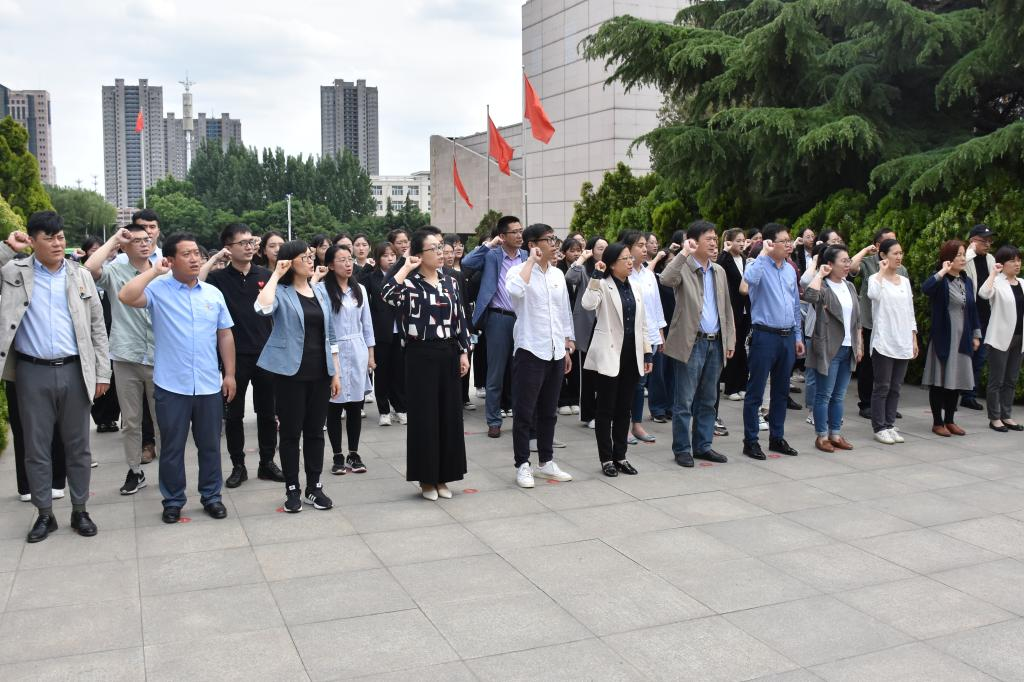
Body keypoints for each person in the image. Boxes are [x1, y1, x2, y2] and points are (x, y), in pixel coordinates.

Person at [0, 215, 110, 542]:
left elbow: (97, 327)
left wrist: (102, 372)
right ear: (33, 240)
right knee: (35, 448)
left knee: (78, 446)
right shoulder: (13, 272)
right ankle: (44, 514)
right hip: (30, 372)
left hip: (75, 369)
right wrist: (8, 247)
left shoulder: (80, 275)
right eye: (49, 238)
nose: (58, 243)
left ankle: (80, 510)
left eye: (60, 237)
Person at [119, 233, 235, 524]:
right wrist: (153, 273)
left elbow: (224, 335)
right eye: (187, 254)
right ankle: (173, 500)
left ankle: (212, 496)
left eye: (196, 253)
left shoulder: (213, 294)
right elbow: (126, 296)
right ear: (170, 260)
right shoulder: (158, 289)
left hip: (208, 384)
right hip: (172, 385)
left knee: (210, 446)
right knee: (171, 448)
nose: (195, 258)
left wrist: (230, 374)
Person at [253, 241, 341, 511]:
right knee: (291, 434)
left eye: (311, 256)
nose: (311, 260)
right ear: (290, 262)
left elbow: (331, 334)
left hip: (320, 372)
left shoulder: (320, 291)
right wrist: (276, 274)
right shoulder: (281, 291)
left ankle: (314, 487)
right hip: (290, 373)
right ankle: (292, 488)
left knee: (315, 432)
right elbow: (261, 308)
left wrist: (335, 372)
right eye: (304, 257)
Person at [383, 230, 470, 500]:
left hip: (448, 352)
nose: (441, 252)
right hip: (420, 354)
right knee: (425, 417)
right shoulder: (409, 283)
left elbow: (460, 318)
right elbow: (386, 294)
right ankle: (427, 479)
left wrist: (464, 352)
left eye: (441, 247)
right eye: (434, 248)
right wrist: (405, 265)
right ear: (419, 254)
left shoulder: (450, 281)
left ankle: (444, 477)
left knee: (449, 415)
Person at [199, 224, 285, 488]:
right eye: (242, 243)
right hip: (234, 356)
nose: (249, 247)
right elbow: (196, 282)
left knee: (267, 413)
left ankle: (267, 462)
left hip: (266, 353)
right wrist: (215, 258)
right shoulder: (218, 279)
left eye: (251, 242)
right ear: (228, 247)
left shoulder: (265, 275)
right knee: (234, 415)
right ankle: (238, 465)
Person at [85, 224, 162, 495]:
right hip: (126, 355)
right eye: (137, 240)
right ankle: (134, 470)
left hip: (160, 356)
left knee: (163, 419)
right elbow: (89, 269)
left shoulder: (163, 271)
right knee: (131, 421)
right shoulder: (115, 271)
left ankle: (168, 471)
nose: (144, 243)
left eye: (148, 239)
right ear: (125, 246)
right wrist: (114, 239)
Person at [661, 221, 737, 467]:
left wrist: (730, 339)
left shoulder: (719, 271)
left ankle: (703, 445)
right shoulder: (683, 266)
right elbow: (666, 279)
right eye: (709, 239)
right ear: (694, 241)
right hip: (691, 342)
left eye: (715, 238)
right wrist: (684, 252)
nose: (714, 243)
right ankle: (682, 448)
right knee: (684, 401)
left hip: (716, 342)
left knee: (708, 399)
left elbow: (726, 308)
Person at [505, 224, 575, 488]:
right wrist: (530, 262)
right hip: (530, 349)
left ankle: (546, 461)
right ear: (533, 244)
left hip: (555, 349)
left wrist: (567, 344)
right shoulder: (517, 271)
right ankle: (522, 464)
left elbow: (563, 311)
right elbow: (514, 292)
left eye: (554, 238)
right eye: (549, 239)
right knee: (524, 412)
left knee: (549, 411)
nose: (554, 243)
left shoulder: (557, 274)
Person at [582, 242, 652, 476]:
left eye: (631, 258)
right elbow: (587, 304)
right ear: (612, 264)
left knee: (624, 409)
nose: (631, 262)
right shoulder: (602, 285)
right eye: (625, 259)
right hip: (609, 355)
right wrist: (595, 275)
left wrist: (647, 352)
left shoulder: (636, 287)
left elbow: (642, 324)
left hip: (632, 356)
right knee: (605, 410)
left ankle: (620, 456)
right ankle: (606, 459)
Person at [740, 224, 805, 460]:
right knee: (756, 391)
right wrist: (763, 254)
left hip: (787, 337)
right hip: (764, 335)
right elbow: (748, 282)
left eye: (789, 240)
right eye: (783, 241)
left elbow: (795, 305)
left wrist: (798, 336)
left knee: (781, 391)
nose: (789, 245)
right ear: (770, 243)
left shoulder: (789, 270)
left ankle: (777, 437)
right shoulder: (756, 265)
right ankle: (751, 441)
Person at [461, 215, 527, 438]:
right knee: (496, 373)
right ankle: (493, 420)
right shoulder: (492, 255)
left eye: (521, 231)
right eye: (514, 232)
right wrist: (489, 245)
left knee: (522, 372)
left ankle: (522, 420)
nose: (519, 235)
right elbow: (467, 263)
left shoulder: (526, 256)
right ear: (502, 236)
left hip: (523, 318)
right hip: (498, 318)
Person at [803, 245, 863, 452]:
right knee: (824, 395)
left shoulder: (850, 286)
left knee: (839, 395)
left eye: (849, 260)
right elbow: (809, 296)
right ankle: (821, 436)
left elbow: (857, 319)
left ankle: (835, 434)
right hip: (829, 348)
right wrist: (820, 274)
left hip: (848, 347)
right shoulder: (824, 287)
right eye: (843, 261)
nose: (848, 265)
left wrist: (859, 344)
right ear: (830, 264)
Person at [921, 240, 982, 437]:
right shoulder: (940, 280)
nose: (963, 259)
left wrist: (976, 334)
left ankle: (950, 420)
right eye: (958, 255)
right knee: (939, 380)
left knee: (956, 379)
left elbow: (973, 310)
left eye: (964, 254)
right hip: (944, 337)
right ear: (948, 258)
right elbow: (926, 288)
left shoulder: (967, 281)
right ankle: (937, 422)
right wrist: (942, 272)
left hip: (962, 337)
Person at [324, 244, 374, 473]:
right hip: (333, 351)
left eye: (349, 259)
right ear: (330, 265)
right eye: (341, 260)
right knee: (334, 405)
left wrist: (370, 355)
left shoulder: (359, 289)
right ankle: (337, 455)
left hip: (357, 350)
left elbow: (367, 324)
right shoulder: (321, 290)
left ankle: (354, 453)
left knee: (355, 404)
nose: (348, 264)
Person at [866, 238, 918, 444]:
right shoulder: (875, 279)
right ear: (883, 255)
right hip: (884, 340)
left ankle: (889, 424)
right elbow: (873, 294)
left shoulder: (904, 281)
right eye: (895, 253)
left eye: (900, 253)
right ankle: (879, 427)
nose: (899, 257)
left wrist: (913, 337)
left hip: (903, 340)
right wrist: (881, 272)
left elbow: (910, 311)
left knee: (896, 387)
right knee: (882, 386)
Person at [623, 231, 666, 444]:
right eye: (639, 245)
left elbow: (656, 306)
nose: (644, 248)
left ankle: (637, 424)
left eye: (644, 245)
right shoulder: (624, 274)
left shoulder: (649, 274)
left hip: (650, 336)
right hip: (631, 336)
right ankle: (623, 426)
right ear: (628, 249)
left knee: (641, 384)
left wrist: (660, 333)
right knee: (627, 383)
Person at [854, 228, 902, 419]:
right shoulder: (868, 263)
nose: (894, 245)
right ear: (879, 246)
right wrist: (865, 250)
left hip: (891, 325)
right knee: (868, 365)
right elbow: (851, 267)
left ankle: (888, 405)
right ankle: (866, 404)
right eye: (889, 241)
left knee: (890, 368)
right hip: (870, 322)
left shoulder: (901, 269)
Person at [978, 245, 1024, 432]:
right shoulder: (997, 282)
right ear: (1002, 264)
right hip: (999, 338)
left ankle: (1007, 415)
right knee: (996, 380)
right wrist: (993, 274)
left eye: (1019, 260)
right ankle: (995, 418)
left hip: (1020, 338)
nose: (1017, 264)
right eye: (1012, 260)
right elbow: (983, 294)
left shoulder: (1022, 283)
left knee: (1011, 379)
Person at [565, 236, 608, 428]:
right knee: (588, 373)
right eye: (600, 248)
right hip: (587, 326)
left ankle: (603, 412)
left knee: (604, 372)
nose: (604, 251)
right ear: (591, 250)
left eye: (606, 247)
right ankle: (589, 414)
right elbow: (570, 278)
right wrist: (582, 258)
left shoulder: (611, 269)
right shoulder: (584, 270)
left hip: (606, 326)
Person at [364, 241, 406, 425]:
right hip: (381, 331)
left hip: (400, 330)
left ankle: (400, 408)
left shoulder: (402, 274)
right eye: (385, 255)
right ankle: (384, 411)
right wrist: (367, 266)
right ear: (377, 258)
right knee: (382, 373)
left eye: (393, 255)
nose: (390, 259)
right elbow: (358, 286)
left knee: (399, 372)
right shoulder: (371, 277)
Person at [962, 224, 996, 410]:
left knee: (979, 358)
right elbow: (959, 267)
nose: (988, 244)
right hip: (968, 315)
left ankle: (970, 395)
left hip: (986, 315)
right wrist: (970, 252)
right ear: (972, 241)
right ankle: (956, 393)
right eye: (984, 240)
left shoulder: (990, 259)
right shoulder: (966, 258)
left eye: (990, 241)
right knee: (965, 356)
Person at [719, 228, 750, 401]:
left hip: (746, 309)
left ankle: (742, 385)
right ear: (729, 241)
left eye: (743, 240)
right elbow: (718, 267)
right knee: (733, 347)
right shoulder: (725, 259)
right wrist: (725, 251)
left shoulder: (745, 260)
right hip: (732, 308)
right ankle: (730, 387)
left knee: (742, 348)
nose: (741, 243)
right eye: (738, 240)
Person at [557, 236, 583, 415]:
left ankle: (574, 398)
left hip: (578, 320)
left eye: (578, 250)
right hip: (562, 321)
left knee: (576, 362)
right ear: (564, 252)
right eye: (572, 250)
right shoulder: (559, 270)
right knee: (562, 361)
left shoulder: (584, 268)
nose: (576, 254)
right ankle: (562, 400)